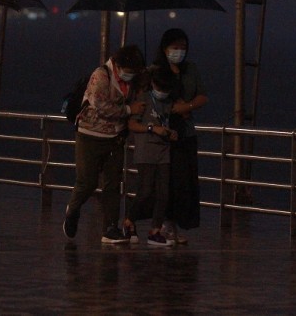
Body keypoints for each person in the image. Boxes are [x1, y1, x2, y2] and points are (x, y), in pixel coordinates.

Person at [63, 45, 146, 244]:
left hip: (114, 138)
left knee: (112, 184)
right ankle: (72, 209)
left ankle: (110, 228)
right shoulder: (101, 76)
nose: (130, 75)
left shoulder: (132, 81)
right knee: (87, 181)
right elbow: (100, 107)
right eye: (129, 70)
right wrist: (128, 109)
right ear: (117, 64)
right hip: (89, 135)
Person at [153, 28, 208, 244]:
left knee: (185, 180)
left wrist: (188, 105)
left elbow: (203, 95)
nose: (179, 51)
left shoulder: (190, 69)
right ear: (165, 48)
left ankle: (177, 223)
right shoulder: (156, 70)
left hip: (186, 132)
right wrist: (171, 109)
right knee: (167, 180)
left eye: (183, 47)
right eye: (175, 47)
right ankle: (164, 223)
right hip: (165, 134)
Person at [122, 65, 178, 247]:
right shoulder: (144, 99)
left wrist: (170, 133)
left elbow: (166, 120)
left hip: (163, 151)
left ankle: (155, 230)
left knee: (163, 192)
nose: (163, 92)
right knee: (145, 191)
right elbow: (132, 124)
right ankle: (129, 220)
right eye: (160, 89)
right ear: (153, 84)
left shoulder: (169, 102)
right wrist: (151, 128)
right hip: (146, 151)